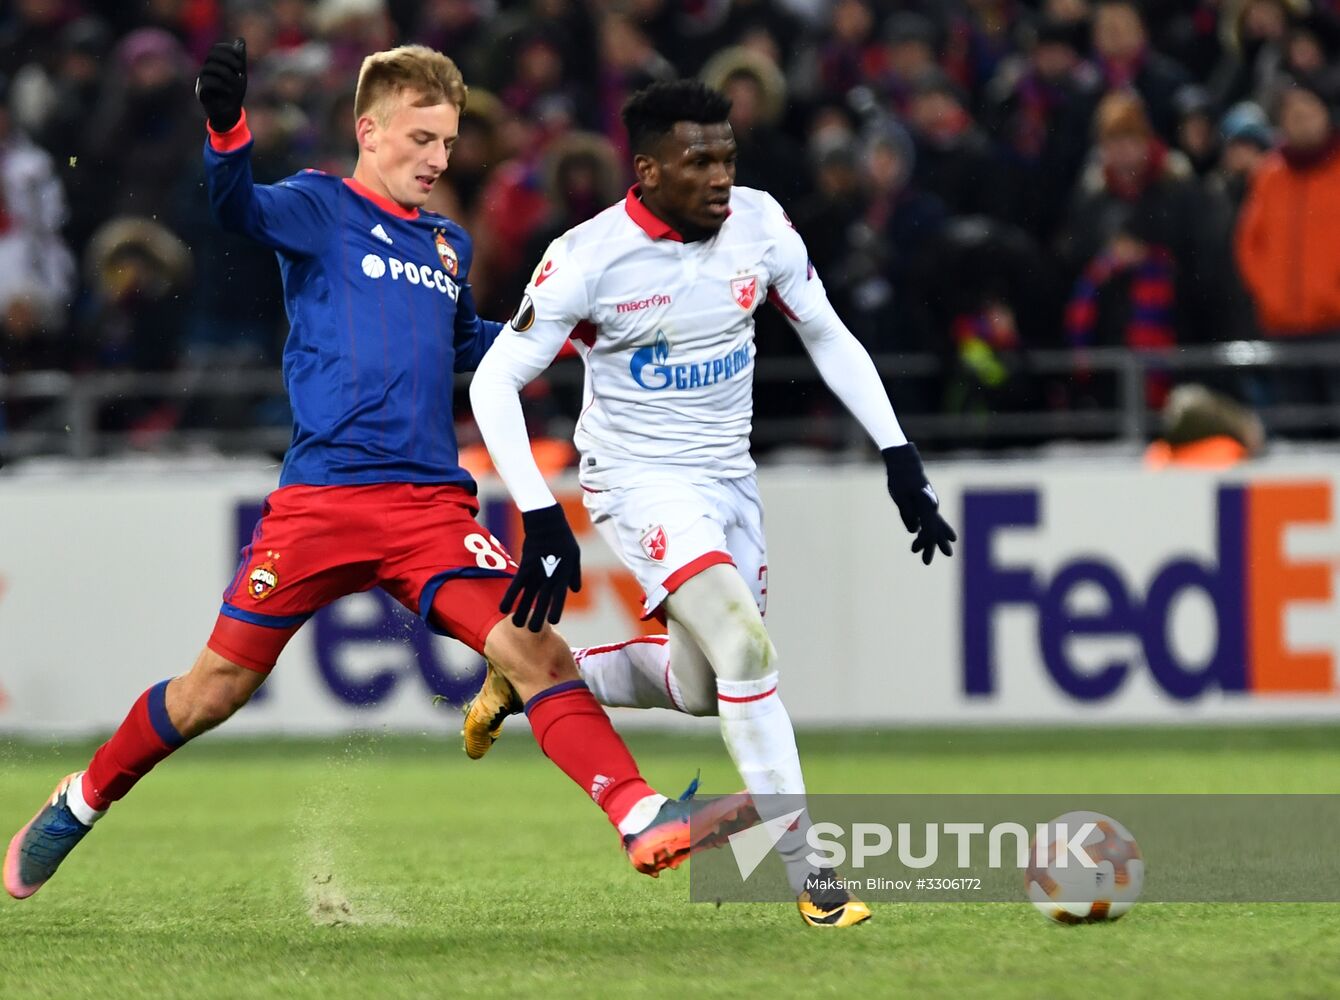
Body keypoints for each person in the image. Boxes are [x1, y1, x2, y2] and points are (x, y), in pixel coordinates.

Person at [3, 42, 756, 904]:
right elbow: (235, 206)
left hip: (428, 510)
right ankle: (79, 800)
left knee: (535, 651)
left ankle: (639, 816)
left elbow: (471, 345)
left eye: (449, 142)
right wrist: (226, 126)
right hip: (319, 503)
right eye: (423, 138)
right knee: (213, 690)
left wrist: (579, 329)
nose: (439, 159)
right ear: (370, 130)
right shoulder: (318, 207)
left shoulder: (446, 243)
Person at [466, 80, 957, 928]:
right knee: (745, 641)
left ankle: (535, 676)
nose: (721, 175)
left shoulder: (761, 225)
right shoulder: (587, 257)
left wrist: (898, 453)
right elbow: (493, 381)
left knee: (703, 685)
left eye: (727, 156)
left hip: (730, 480)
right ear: (648, 170)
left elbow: (827, 332)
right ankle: (810, 871)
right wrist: (543, 512)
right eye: (699, 160)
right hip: (638, 481)